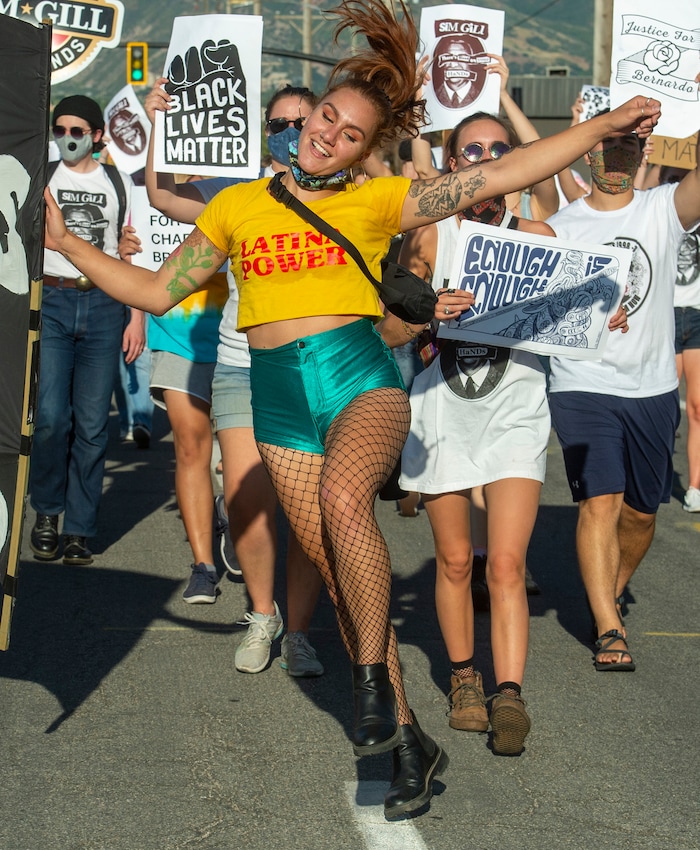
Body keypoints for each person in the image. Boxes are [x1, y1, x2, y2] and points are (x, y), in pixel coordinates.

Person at [43, 0, 660, 817]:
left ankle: (370, 686)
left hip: (357, 377)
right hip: (277, 396)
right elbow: (156, 288)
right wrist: (67, 245)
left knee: (345, 503)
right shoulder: (237, 209)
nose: (327, 135)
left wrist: (604, 125)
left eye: (347, 134)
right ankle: (407, 738)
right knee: (342, 572)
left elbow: (506, 173)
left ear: (368, 149)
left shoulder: (380, 202)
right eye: (325, 118)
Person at [397, 112, 623, 756]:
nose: (489, 158)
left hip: (515, 415)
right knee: (453, 560)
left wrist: (609, 316)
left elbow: (580, 314)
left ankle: (509, 694)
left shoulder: (538, 234)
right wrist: (424, 315)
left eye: (502, 149)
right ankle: (464, 677)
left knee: (504, 562)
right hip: (441, 413)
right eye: (475, 149)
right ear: (452, 162)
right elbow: (388, 329)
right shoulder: (429, 239)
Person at [134, 81, 326, 678]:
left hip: (314, 372)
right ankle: (262, 616)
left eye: (306, 120)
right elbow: (163, 195)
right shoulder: (238, 197)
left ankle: (298, 632)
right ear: (262, 134)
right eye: (279, 124)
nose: (293, 132)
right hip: (242, 366)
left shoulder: (347, 195)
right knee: (247, 501)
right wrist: (160, 122)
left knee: (308, 514)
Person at [546, 120, 700, 671]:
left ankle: (607, 592)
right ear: (588, 154)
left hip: (653, 387)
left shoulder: (664, 209)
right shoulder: (560, 227)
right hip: (582, 383)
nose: (615, 157)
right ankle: (610, 627)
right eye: (606, 145)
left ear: (643, 152)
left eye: (626, 146)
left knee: (639, 515)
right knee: (600, 501)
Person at [30, 95, 144, 566]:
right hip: (53, 301)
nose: (68, 138)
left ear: (98, 135)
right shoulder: (45, 177)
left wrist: (136, 315)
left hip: (103, 305)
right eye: (61, 129)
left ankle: (79, 528)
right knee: (52, 417)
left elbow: (128, 252)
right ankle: (47, 513)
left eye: (78, 131)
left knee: (94, 425)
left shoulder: (117, 181)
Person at [113, 308, 153, 448]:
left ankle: (140, 422)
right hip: (108, 298)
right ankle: (129, 421)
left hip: (141, 295)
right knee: (119, 366)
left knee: (140, 359)